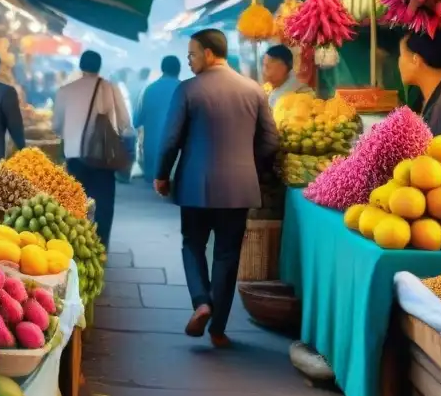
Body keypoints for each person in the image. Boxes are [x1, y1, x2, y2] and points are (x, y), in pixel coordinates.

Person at [155, 29, 279, 348]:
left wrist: (161, 174)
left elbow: (170, 139)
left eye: (193, 54)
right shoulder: (254, 90)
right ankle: (219, 329)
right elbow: (270, 141)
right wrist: (247, 166)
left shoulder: (188, 90)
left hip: (195, 187)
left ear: (210, 54)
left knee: (193, 244)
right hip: (239, 189)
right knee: (227, 254)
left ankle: (201, 302)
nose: (189, 60)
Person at [52, 50, 132, 249]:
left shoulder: (66, 90)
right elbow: (124, 123)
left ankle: (77, 245)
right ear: (99, 66)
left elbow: (56, 127)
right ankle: (101, 245)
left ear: (81, 66)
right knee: (104, 204)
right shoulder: (110, 88)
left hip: (75, 156)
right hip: (103, 156)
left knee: (75, 202)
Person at [135, 56, 182, 187]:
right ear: (179, 70)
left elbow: (137, 120)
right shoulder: (186, 90)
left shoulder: (148, 90)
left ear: (162, 69)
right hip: (176, 162)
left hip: (151, 169)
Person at [262, 44, 313, 108]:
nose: (264, 71)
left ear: (283, 68)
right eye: (263, 65)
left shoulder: (302, 93)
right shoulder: (271, 89)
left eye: (268, 67)